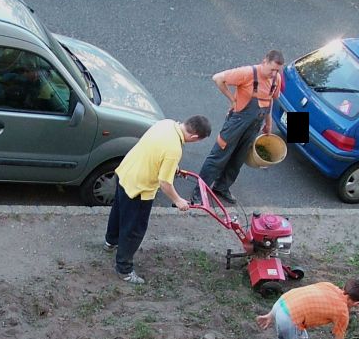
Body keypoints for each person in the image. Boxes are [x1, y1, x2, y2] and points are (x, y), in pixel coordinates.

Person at [104, 115, 212, 284]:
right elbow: (164, 183)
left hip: (126, 173)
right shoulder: (174, 149)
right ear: (195, 137)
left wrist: (172, 168)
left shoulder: (166, 124)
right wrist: (178, 200)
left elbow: (154, 149)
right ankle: (123, 269)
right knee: (134, 229)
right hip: (139, 189)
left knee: (118, 211)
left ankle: (111, 241)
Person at [189, 50, 284, 205]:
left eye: (277, 71)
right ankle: (199, 193)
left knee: (237, 159)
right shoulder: (247, 73)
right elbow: (218, 78)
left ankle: (221, 187)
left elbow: (270, 100)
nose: (274, 73)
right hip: (236, 123)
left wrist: (268, 122)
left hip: (254, 126)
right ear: (264, 61)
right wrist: (232, 100)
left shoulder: (276, 79)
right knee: (218, 157)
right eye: (272, 69)